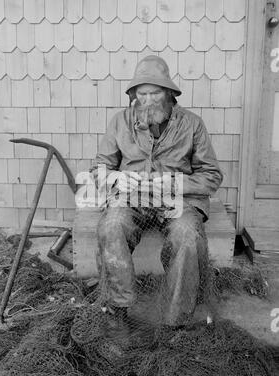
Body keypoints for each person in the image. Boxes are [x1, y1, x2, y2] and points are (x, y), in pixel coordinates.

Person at [89, 55, 223, 337]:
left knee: (187, 235)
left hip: (179, 201)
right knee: (112, 224)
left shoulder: (193, 125)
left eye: (155, 93)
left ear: (169, 93)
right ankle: (118, 309)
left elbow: (211, 176)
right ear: (134, 95)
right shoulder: (120, 122)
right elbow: (99, 168)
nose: (148, 100)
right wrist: (118, 177)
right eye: (142, 93)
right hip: (132, 198)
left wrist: (174, 183)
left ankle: (176, 321)